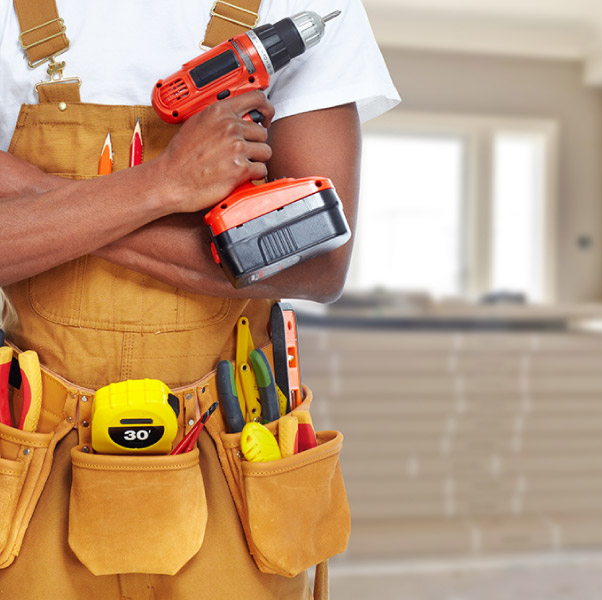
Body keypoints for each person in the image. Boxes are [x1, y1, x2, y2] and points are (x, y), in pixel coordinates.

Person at [0, 0, 399, 598]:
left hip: (232, 457)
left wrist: (40, 197)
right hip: (33, 465)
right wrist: (163, 185)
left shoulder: (301, 6)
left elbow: (318, 259)